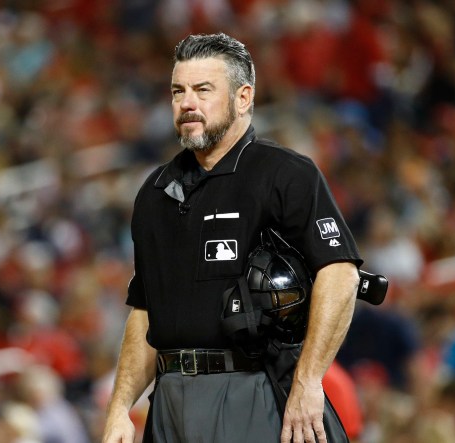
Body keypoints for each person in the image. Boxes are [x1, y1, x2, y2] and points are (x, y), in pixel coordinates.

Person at [103, 33, 362, 443]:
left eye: (203, 90)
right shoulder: (154, 193)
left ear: (243, 98)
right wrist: (120, 408)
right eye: (178, 91)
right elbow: (144, 311)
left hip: (249, 387)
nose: (187, 103)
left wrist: (309, 382)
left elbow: (340, 274)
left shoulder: (284, 174)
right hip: (168, 395)